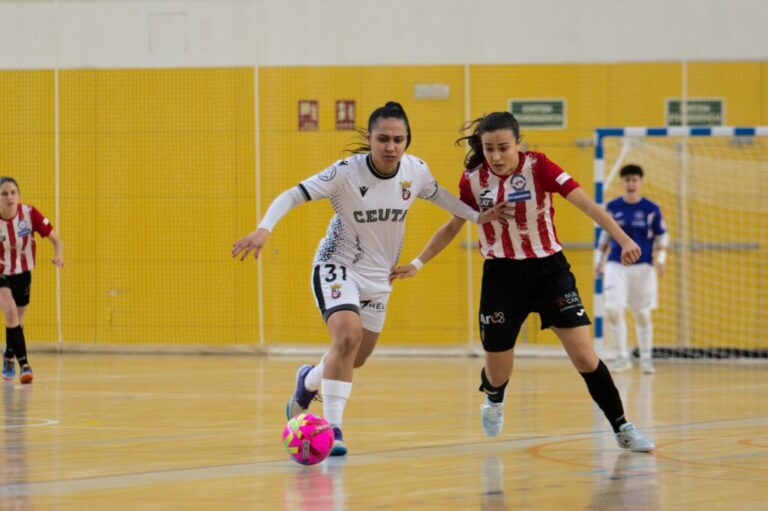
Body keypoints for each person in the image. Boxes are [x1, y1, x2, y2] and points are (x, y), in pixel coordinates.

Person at [232, 102, 510, 456]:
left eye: (398, 139)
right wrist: (263, 228)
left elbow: (441, 197)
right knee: (346, 337)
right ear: (369, 138)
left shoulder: (416, 171)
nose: (391, 147)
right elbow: (293, 194)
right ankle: (333, 429)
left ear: (407, 140)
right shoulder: (345, 174)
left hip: (380, 277)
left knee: (354, 357)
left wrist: (477, 217)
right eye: (383, 139)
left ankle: (308, 381)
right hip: (337, 264)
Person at [390, 112, 655, 452]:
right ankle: (494, 398)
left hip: (550, 272)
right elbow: (453, 225)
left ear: (518, 144)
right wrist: (417, 263)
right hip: (502, 276)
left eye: (503, 147)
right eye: (488, 149)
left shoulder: (539, 167)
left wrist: (623, 240)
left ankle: (622, 426)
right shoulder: (472, 179)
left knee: (586, 358)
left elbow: (587, 204)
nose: (496, 156)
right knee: (498, 373)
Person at [594, 164, 667, 374]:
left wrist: (661, 258)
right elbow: (605, 236)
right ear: (622, 183)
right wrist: (598, 261)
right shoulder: (613, 207)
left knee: (643, 313)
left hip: (643, 266)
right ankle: (621, 357)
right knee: (612, 310)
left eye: (635, 180)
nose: (631, 184)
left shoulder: (651, 209)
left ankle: (645, 359)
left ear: (641, 182)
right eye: (627, 180)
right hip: (616, 264)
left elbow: (662, 236)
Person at [0, 177, 64, 384]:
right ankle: (24, 365)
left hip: (23, 273)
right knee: (9, 312)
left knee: (16, 321)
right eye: (4, 193)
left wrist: (59, 255)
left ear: (18, 195)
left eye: (13, 192)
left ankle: (8, 353)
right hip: (1, 272)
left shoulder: (29, 214)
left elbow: (56, 238)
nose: (9, 197)